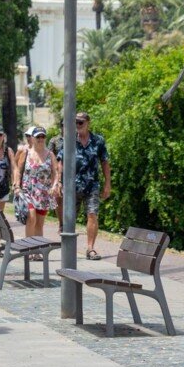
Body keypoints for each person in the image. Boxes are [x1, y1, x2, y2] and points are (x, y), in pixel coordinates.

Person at [57, 111, 111, 260]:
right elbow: (60, 161)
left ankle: (90, 248)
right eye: (76, 122)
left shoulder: (98, 141)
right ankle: (68, 248)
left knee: (92, 214)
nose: (78, 125)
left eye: (81, 122)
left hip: (91, 185)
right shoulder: (69, 140)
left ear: (88, 123)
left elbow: (105, 162)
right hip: (71, 186)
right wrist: (58, 181)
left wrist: (108, 184)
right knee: (69, 217)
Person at [14, 127, 59, 246]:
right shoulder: (26, 152)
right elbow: (18, 170)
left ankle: (38, 249)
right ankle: (29, 247)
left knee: (39, 223)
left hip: (44, 193)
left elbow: (55, 172)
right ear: (32, 138)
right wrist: (17, 186)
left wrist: (55, 186)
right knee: (31, 217)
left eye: (43, 136)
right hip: (28, 191)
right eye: (38, 137)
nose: (40, 139)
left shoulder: (50, 154)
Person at [47, 118, 65, 232]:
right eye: (63, 125)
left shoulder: (76, 139)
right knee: (58, 199)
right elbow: (49, 157)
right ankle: (61, 223)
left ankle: (68, 223)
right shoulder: (55, 140)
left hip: (73, 173)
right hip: (58, 173)